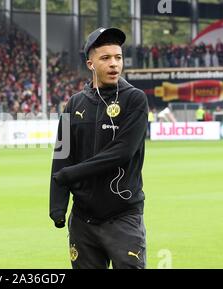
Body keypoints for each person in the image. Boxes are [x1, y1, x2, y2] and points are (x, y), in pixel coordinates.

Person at [50, 27, 148, 269]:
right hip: (83, 219)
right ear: (90, 63)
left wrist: (71, 175)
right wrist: (57, 204)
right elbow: (62, 154)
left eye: (118, 57)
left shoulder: (134, 99)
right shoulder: (75, 103)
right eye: (105, 58)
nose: (114, 64)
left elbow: (122, 152)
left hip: (123, 216)